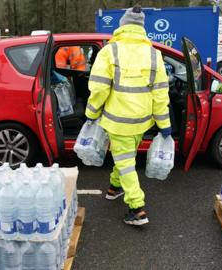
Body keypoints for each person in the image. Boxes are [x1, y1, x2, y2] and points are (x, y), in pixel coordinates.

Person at [85, 5, 171, 226]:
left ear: (122, 26)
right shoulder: (155, 54)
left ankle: (137, 208)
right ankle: (115, 188)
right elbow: (161, 93)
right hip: (142, 122)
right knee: (125, 156)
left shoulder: (109, 51)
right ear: (141, 28)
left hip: (117, 121)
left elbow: (99, 89)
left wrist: (91, 113)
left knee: (124, 162)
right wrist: (164, 123)